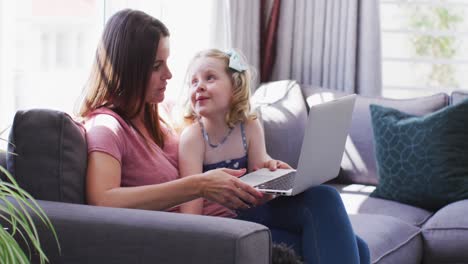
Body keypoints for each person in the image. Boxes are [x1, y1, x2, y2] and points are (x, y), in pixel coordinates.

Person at [78, 9, 370, 264]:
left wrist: (265, 173)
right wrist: (200, 185)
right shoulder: (106, 126)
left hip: (232, 216)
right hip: (203, 232)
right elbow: (102, 201)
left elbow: (218, 123)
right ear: (129, 69)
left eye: (167, 63)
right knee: (325, 206)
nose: (169, 74)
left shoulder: (156, 114)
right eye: (157, 66)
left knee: (357, 245)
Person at [178, 49, 370, 263]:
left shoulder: (248, 125)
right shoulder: (193, 138)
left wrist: (272, 172)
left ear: (235, 87)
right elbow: (190, 215)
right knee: (351, 246)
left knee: (334, 209)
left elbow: (261, 185)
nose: (199, 86)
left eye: (209, 78)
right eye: (193, 82)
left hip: (253, 212)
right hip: (225, 226)